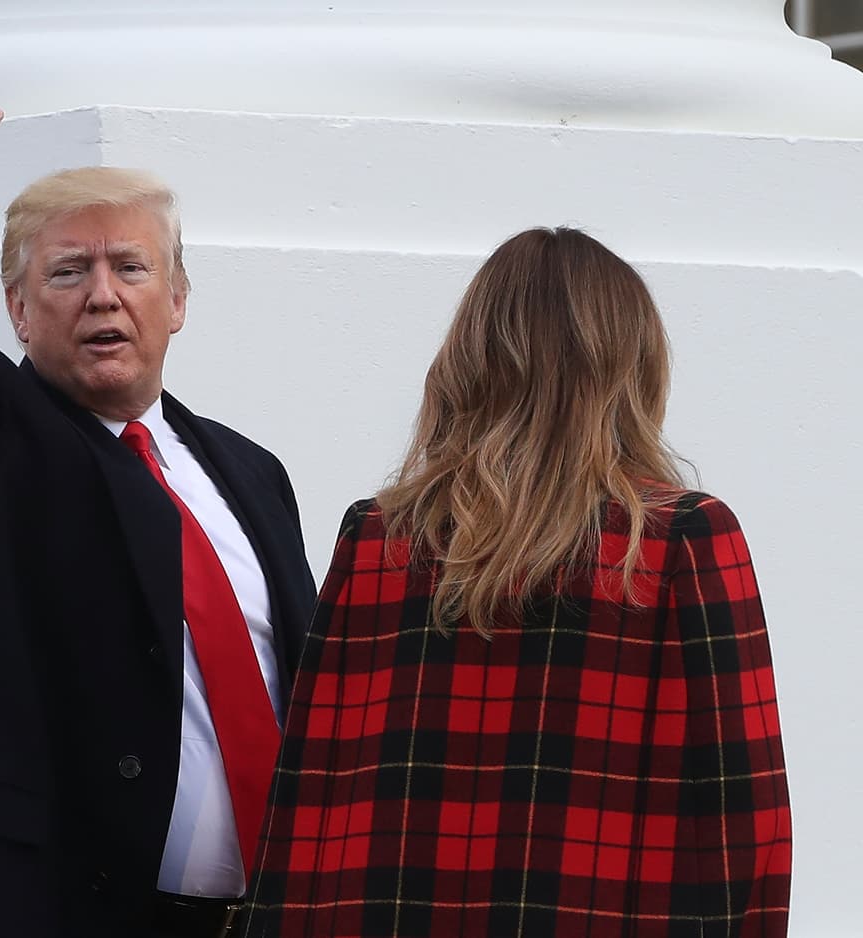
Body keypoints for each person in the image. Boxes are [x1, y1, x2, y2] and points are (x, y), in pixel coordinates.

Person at [0, 46, 316, 936]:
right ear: (17, 309)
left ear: (177, 300)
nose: (102, 296)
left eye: (130, 268)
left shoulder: (252, 472)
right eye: (67, 272)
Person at [242, 228, 793, 938]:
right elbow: (745, 817)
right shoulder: (683, 539)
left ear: (469, 358)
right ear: (632, 364)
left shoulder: (379, 538)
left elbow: (308, 798)